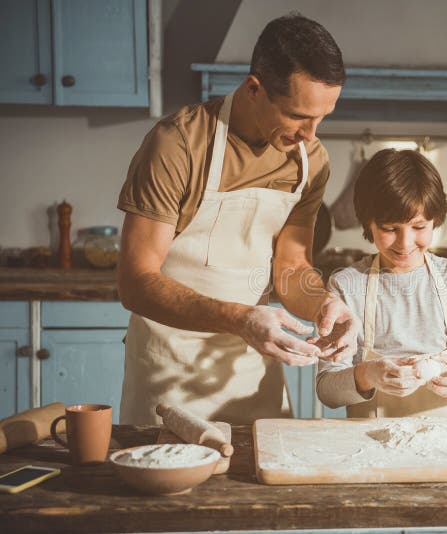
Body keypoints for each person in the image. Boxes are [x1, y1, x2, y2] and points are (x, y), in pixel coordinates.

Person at [116, 13, 358, 424]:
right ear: (254, 89)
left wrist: (326, 304)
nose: (312, 133)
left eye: (323, 117)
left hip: (253, 375)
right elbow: (136, 283)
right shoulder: (179, 144)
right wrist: (241, 318)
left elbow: (291, 269)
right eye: (299, 116)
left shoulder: (310, 162)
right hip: (169, 374)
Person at [316, 149, 447, 417]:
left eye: (419, 227)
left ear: (435, 220)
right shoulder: (346, 285)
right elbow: (327, 389)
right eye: (390, 228)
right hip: (368, 447)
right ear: (368, 223)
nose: (405, 244)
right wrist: (368, 375)